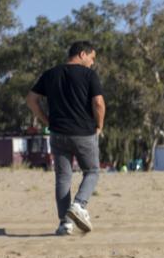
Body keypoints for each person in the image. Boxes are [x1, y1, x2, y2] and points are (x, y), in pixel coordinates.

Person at [25, 40, 105, 236]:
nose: (92, 63)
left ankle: (65, 224)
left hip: (58, 132)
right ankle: (79, 204)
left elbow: (31, 100)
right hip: (83, 133)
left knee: (62, 178)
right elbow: (99, 103)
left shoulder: (50, 74)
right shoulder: (88, 75)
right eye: (92, 58)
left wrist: (46, 121)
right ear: (82, 54)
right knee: (93, 171)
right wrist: (99, 126)